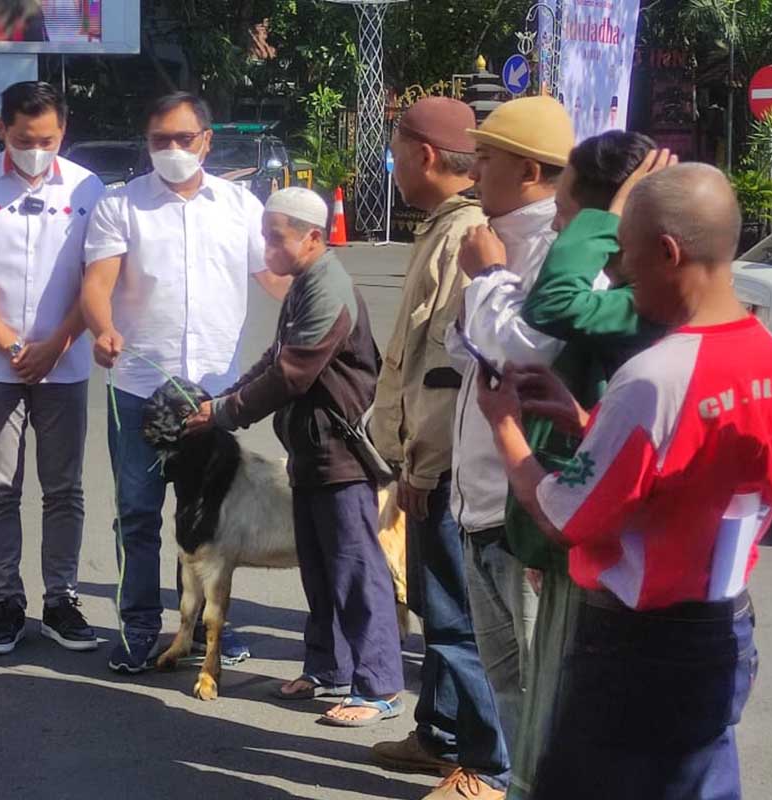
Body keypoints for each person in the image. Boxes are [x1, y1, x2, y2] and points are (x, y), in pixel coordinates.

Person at [476, 163, 772, 800]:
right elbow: (686, 466)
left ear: (668, 252)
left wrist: (504, 425)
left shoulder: (654, 378)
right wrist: (587, 422)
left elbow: (563, 516)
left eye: (626, 253)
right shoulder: (770, 355)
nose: (619, 270)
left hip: (639, 646)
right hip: (723, 627)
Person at [465, 132, 666, 799]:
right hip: (579, 533)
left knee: (561, 715)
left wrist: (607, 215)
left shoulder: (642, 303)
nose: (558, 222)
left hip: (601, 546)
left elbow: (549, 309)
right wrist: (579, 423)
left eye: (567, 208)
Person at [81, 91, 290, 674]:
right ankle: (137, 627)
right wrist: (101, 328)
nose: (172, 149)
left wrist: (326, 312)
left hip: (214, 393)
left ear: (207, 141)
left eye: (183, 138)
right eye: (160, 140)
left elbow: (277, 277)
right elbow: (97, 284)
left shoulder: (240, 206)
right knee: (138, 513)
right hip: (139, 386)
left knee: (209, 517)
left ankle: (200, 629)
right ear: (147, 143)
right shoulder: (121, 205)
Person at [184, 187, 404, 726]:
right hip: (310, 452)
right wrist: (222, 400)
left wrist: (224, 413)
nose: (266, 247)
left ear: (312, 237)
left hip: (341, 454)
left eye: (275, 237)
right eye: (264, 236)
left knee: (355, 570)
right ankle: (328, 669)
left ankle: (378, 687)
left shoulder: (328, 286)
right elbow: (273, 358)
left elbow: (292, 373)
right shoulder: (306, 284)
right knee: (321, 571)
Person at [368, 99, 511, 799]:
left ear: (424, 154)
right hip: (429, 459)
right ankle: (439, 735)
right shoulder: (444, 227)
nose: (391, 164)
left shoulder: (462, 235)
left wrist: (421, 468)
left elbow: (444, 374)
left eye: (396, 149)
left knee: (458, 620)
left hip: (445, 465)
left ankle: (485, 767)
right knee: (437, 609)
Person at [0, 81, 103, 654]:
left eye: (48, 140)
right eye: (25, 139)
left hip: (65, 362)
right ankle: (6, 601)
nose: (36, 150)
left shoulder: (87, 188)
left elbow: (97, 280)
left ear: (63, 131)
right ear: (3, 128)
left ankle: (61, 600)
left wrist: (57, 343)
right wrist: (11, 346)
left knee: (64, 488)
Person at [444, 94, 572, 764]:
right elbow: (460, 348)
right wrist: (483, 289)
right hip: (476, 502)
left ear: (528, 170)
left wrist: (490, 278)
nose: (473, 173)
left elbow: (523, 355)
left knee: (537, 689)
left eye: (486, 158)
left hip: (521, 510)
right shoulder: (490, 239)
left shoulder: (555, 249)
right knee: (505, 685)